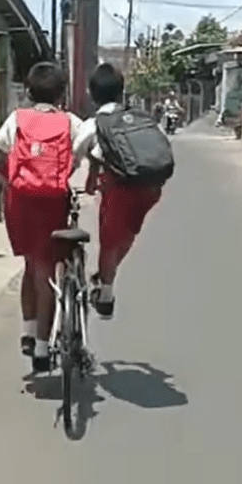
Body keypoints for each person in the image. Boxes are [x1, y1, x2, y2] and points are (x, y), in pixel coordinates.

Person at [0, 61, 85, 372]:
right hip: (52, 203)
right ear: (62, 93)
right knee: (46, 269)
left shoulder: (16, 119)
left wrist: (15, 182)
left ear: (29, 92)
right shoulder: (70, 122)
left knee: (31, 265)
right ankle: (43, 350)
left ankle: (28, 332)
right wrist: (66, 172)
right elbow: (88, 149)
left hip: (19, 203)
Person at [73, 63, 172, 320]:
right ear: (121, 92)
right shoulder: (141, 117)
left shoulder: (95, 124)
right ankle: (106, 274)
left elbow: (73, 159)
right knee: (127, 234)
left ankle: (106, 294)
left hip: (120, 189)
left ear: (92, 95)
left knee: (110, 241)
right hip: (151, 186)